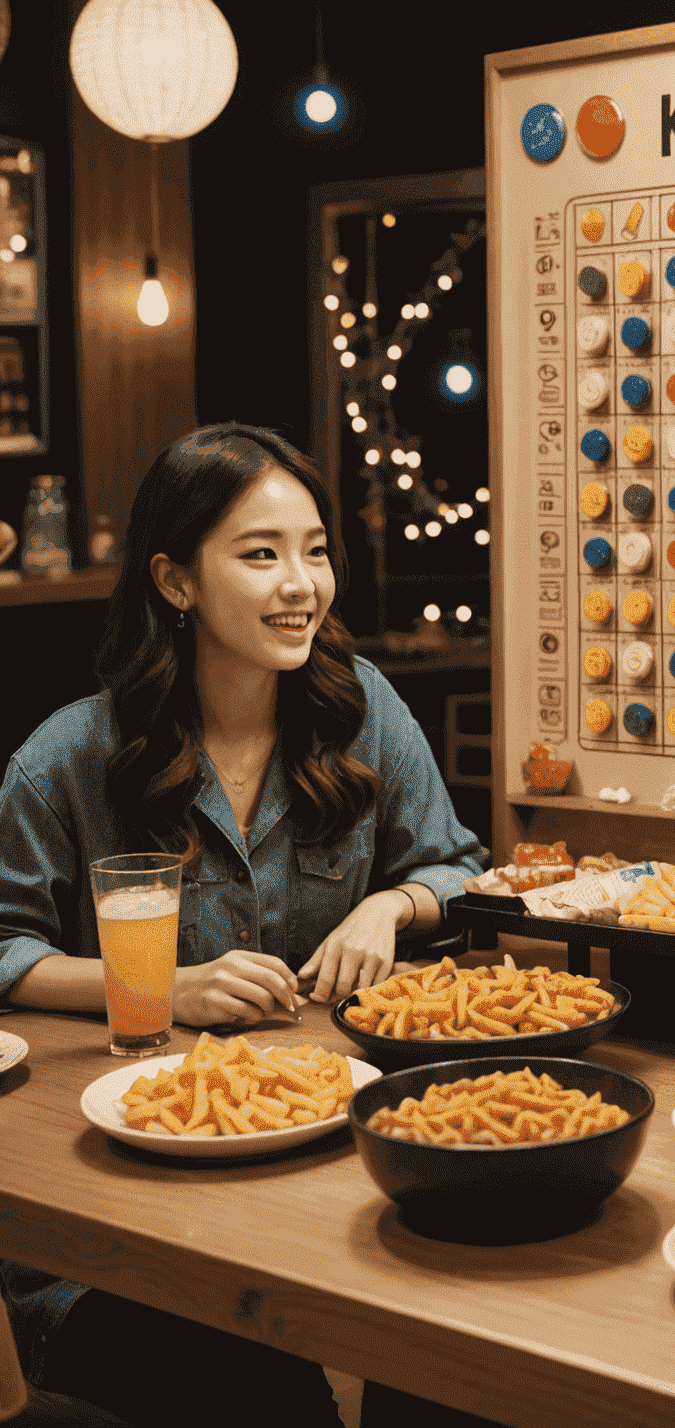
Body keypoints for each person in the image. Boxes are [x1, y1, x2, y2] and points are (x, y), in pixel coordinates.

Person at [0, 424, 492, 1426]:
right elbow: (4, 951)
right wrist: (158, 991)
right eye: (260, 554)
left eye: (314, 550)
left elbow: (463, 870)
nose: (302, 584)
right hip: (129, 1203)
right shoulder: (66, 760)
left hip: (329, 1169)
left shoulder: (364, 714)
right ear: (176, 581)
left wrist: (390, 905)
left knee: (456, 1360)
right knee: (261, 1394)